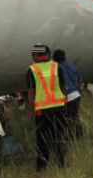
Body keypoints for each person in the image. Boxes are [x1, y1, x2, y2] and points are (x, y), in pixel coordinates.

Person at [26, 43, 68, 171]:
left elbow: (31, 92)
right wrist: (64, 102)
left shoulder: (32, 70)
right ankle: (61, 162)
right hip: (59, 107)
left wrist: (30, 111)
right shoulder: (56, 67)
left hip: (42, 110)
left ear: (35, 55)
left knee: (42, 138)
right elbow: (63, 87)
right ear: (47, 54)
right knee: (59, 135)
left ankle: (42, 165)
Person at [53, 49, 83, 140]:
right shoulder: (73, 66)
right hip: (76, 95)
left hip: (67, 96)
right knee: (75, 116)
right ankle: (79, 134)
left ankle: (70, 137)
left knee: (66, 118)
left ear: (54, 58)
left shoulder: (56, 68)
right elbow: (79, 80)